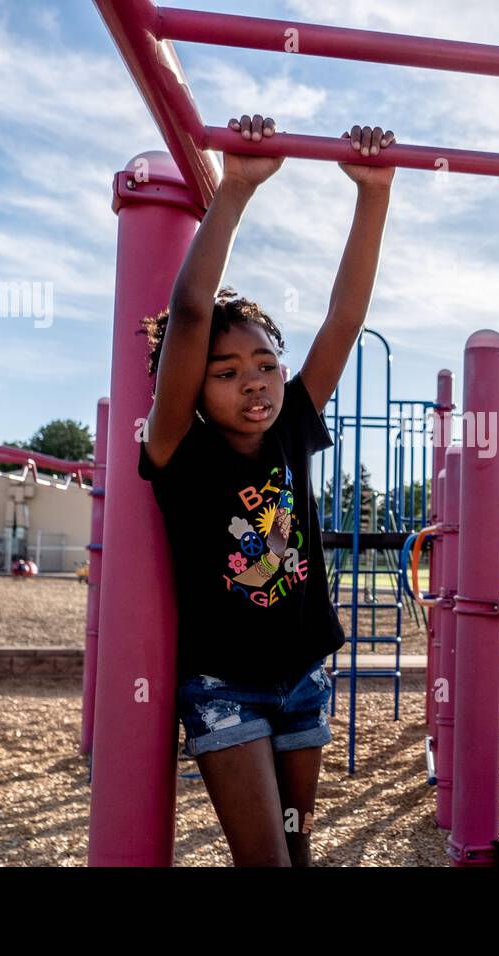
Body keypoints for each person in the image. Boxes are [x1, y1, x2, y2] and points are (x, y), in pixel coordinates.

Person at [137, 113, 396, 866]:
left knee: (298, 857)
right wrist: (238, 187)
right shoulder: (179, 448)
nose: (253, 381)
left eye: (264, 363)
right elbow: (191, 311)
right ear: (192, 387)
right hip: (226, 688)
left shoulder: (291, 429)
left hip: (305, 677)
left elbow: (345, 318)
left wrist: (373, 195)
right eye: (226, 371)